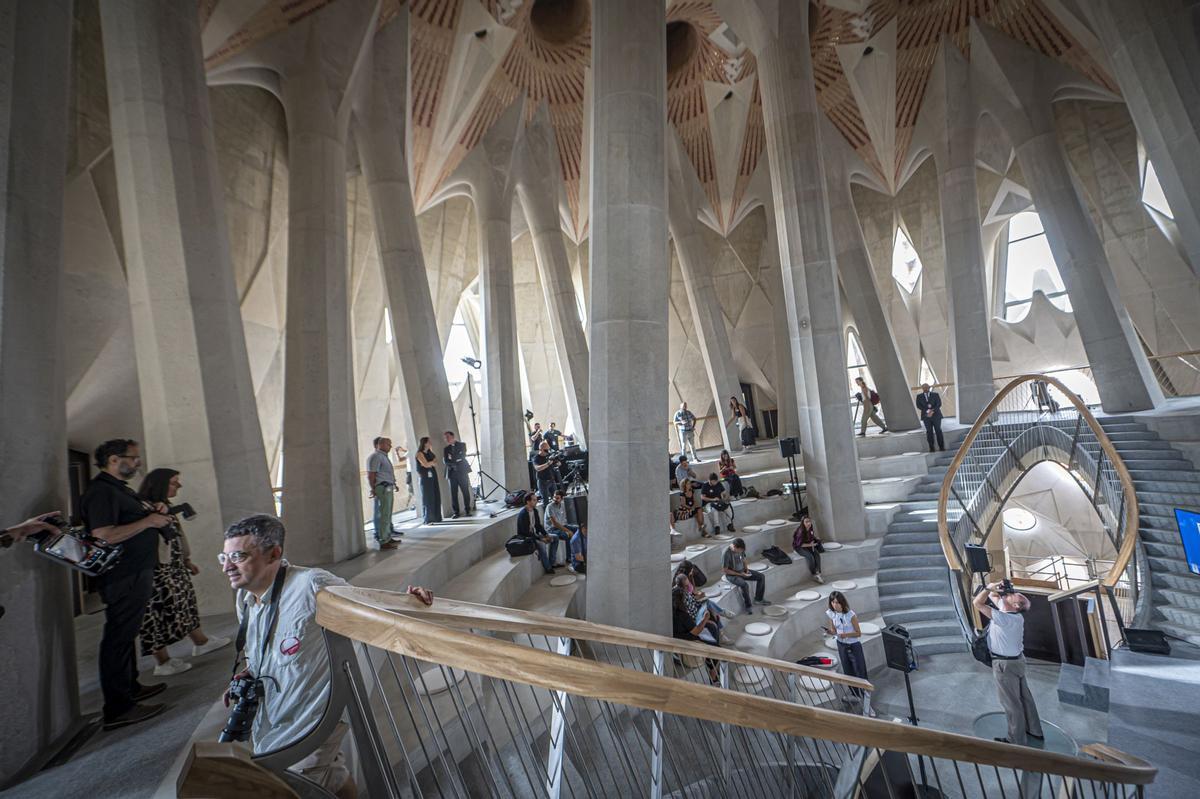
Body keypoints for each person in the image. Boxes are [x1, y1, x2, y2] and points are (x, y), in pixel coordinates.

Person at [221, 512, 436, 798]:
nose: (227, 568)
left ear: (274, 553)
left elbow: (368, 607)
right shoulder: (244, 599)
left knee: (292, 790)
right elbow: (259, 648)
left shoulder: (311, 584)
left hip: (313, 720)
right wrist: (249, 671)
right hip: (275, 714)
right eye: (223, 558)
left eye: (238, 557)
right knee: (334, 779)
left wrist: (411, 602)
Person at [79, 439, 172, 730]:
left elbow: (133, 517)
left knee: (127, 633)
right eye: (133, 458)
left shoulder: (119, 490)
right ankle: (118, 708)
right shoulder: (101, 492)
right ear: (115, 460)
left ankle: (130, 687)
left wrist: (150, 511)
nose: (138, 463)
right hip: (123, 575)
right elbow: (104, 534)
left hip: (136, 571)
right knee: (118, 638)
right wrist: (148, 523)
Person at [137, 468, 230, 677]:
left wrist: (186, 559)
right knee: (156, 614)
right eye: (173, 482)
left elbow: (175, 537)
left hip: (174, 566)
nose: (178, 486)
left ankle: (200, 641)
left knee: (186, 603)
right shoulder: (143, 508)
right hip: (157, 570)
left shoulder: (164, 507)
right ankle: (162, 661)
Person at [974, 581, 1044, 745]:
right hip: (1018, 662)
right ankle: (1034, 730)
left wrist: (988, 587)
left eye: (1014, 595)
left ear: (1016, 604)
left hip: (1005, 666)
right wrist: (997, 586)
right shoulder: (1013, 615)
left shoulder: (1004, 618)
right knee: (1025, 698)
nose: (1011, 594)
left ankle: (1015, 740)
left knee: (1011, 703)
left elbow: (977, 602)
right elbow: (993, 596)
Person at [824, 591, 874, 716]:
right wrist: (830, 632)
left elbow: (858, 633)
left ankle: (868, 704)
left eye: (837, 602)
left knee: (860, 672)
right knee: (848, 672)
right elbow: (834, 630)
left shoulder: (851, 615)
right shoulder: (831, 614)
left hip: (854, 646)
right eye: (833, 602)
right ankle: (855, 695)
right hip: (841, 646)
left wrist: (845, 634)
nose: (835, 605)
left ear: (842, 602)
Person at [670, 584, 721, 685]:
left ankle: (710, 663)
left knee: (712, 627)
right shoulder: (682, 615)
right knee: (717, 649)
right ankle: (713, 675)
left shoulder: (672, 611)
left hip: (681, 636)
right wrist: (705, 618)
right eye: (685, 597)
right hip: (689, 640)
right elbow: (695, 631)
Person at [366, 437, 401, 549]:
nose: (390, 446)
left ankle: (387, 536)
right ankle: (383, 540)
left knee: (387, 514)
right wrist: (373, 488)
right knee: (383, 514)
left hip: (388, 487)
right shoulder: (376, 457)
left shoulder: (383, 457)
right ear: (381, 444)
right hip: (382, 488)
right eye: (388, 444)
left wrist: (394, 483)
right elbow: (371, 474)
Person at [515, 492, 559, 574]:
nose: (536, 502)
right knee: (542, 545)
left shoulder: (534, 511)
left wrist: (546, 535)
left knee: (555, 537)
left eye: (536, 500)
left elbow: (538, 526)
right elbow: (525, 532)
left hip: (534, 535)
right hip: (526, 538)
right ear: (528, 502)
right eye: (534, 500)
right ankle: (548, 568)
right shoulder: (523, 514)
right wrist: (541, 538)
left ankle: (552, 562)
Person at [722, 538, 767, 613]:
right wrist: (740, 574)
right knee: (744, 585)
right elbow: (725, 570)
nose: (740, 552)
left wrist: (746, 569)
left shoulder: (740, 550)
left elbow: (744, 559)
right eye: (739, 550)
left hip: (742, 571)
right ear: (734, 547)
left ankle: (758, 599)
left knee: (761, 576)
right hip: (731, 574)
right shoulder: (726, 553)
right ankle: (748, 606)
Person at [442, 431, 473, 518]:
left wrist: (453, 459)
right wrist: (455, 461)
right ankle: (456, 512)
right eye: (445, 438)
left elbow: (462, 456)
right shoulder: (446, 449)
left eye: (447, 437)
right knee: (453, 493)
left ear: (453, 436)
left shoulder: (462, 445)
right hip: (452, 473)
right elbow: (446, 461)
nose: (446, 439)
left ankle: (468, 510)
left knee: (465, 491)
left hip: (462, 472)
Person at [415, 437, 443, 524]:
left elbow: (436, 462)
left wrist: (430, 464)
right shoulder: (419, 454)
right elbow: (426, 464)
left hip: (432, 475)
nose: (431, 443)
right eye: (429, 441)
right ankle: (428, 518)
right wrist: (430, 463)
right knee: (428, 497)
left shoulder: (430, 453)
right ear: (425, 443)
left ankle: (437, 517)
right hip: (425, 477)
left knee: (435, 494)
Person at [545, 490, 577, 564]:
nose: (555, 499)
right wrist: (568, 531)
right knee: (567, 535)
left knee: (577, 529)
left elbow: (565, 518)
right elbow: (555, 523)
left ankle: (577, 553)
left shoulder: (562, 505)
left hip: (561, 526)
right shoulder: (549, 506)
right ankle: (569, 558)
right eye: (554, 497)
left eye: (557, 498)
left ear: (562, 498)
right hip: (552, 529)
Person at [792, 515, 824, 583]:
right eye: (806, 522)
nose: (809, 523)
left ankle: (818, 572)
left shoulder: (810, 527)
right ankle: (814, 574)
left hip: (808, 544)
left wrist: (814, 539)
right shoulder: (800, 532)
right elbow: (800, 544)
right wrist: (811, 544)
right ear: (803, 523)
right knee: (810, 557)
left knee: (816, 554)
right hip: (799, 547)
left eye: (809, 521)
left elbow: (811, 535)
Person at [915, 383, 945, 452]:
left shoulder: (935, 395)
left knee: (938, 431)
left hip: (936, 416)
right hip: (926, 417)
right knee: (929, 432)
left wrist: (932, 411)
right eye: (924, 387)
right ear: (922, 388)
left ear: (929, 387)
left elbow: (939, 404)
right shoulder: (919, 396)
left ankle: (941, 447)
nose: (925, 389)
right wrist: (928, 411)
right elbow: (919, 406)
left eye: (926, 387)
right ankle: (931, 448)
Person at [531, 440, 559, 506]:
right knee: (545, 501)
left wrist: (557, 462)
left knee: (556, 498)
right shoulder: (536, 458)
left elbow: (558, 464)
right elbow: (537, 468)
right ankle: (548, 516)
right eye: (546, 450)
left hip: (551, 480)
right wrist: (548, 463)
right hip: (543, 482)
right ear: (541, 449)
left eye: (548, 449)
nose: (548, 451)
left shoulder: (549, 455)